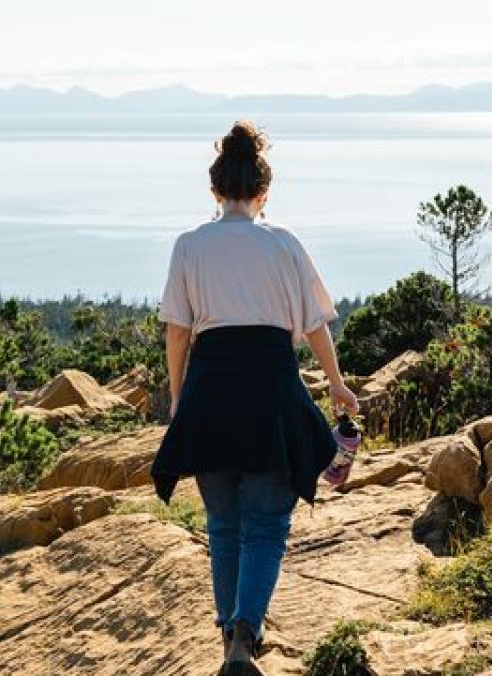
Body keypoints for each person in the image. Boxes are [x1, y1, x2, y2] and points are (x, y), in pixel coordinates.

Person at [149, 120, 359, 676]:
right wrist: (336, 383)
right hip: (271, 392)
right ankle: (245, 634)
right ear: (263, 193)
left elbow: (177, 331)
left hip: (210, 392)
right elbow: (315, 326)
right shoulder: (284, 243)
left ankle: (229, 640)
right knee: (266, 524)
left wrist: (179, 399)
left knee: (223, 524)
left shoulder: (190, 245)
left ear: (215, 191)